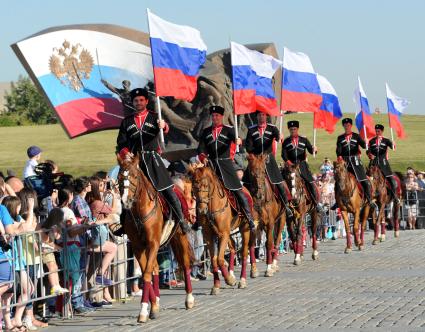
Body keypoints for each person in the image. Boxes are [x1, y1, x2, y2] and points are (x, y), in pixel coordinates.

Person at [116, 88, 191, 234]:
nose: (138, 102)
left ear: (146, 101)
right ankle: (124, 225)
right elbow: (121, 143)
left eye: (141, 100)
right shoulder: (126, 122)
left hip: (153, 159)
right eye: (136, 100)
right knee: (126, 190)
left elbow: (165, 130)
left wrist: (164, 126)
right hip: (135, 161)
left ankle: (181, 220)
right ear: (133, 102)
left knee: (168, 189)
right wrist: (126, 153)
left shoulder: (155, 117)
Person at [197, 105, 256, 230]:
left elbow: (237, 139)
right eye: (213, 116)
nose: (215, 118)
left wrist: (238, 140)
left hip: (226, 166)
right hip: (211, 166)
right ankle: (199, 219)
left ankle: (249, 217)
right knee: (201, 189)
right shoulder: (206, 132)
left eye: (217, 116)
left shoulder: (229, 130)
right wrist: (203, 157)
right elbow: (201, 148)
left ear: (221, 117)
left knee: (237, 190)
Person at [244, 110, 293, 217]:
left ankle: (286, 206)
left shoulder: (272, 128)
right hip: (256, 161)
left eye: (263, 115)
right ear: (256, 117)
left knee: (279, 183)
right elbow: (248, 146)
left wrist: (280, 137)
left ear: (266, 116)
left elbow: (277, 136)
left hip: (269, 160)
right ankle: (245, 208)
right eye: (259, 115)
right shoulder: (251, 130)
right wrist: (254, 156)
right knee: (245, 181)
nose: (261, 117)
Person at [335, 118, 377, 210]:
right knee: (338, 181)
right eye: (345, 125)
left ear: (351, 126)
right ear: (343, 126)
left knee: (365, 181)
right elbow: (338, 151)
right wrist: (340, 158)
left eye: (348, 125)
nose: (347, 127)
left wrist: (367, 144)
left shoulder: (356, 136)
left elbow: (364, 146)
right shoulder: (340, 138)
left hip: (356, 162)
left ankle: (369, 199)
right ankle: (337, 202)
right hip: (345, 163)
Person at [281, 120, 322, 212]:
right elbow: (283, 155)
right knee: (282, 182)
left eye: (294, 129)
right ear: (289, 129)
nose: (293, 131)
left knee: (310, 182)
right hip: (290, 166)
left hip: (302, 165)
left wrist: (314, 149)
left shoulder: (304, 140)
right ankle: (283, 204)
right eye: (291, 129)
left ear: (297, 129)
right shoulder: (286, 141)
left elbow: (311, 151)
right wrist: (290, 164)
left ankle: (316, 203)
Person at [367, 124, 400, 203]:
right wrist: (369, 154)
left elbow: (393, 148)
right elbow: (368, 150)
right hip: (373, 164)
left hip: (384, 163)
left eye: (379, 131)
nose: (377, 132)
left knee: (392, 180)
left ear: (382, 131)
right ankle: (367, 196)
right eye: (376, 131)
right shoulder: (371, 141)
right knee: (367, 178)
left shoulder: (386, 140)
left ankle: (394, 196)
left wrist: (393, 143)